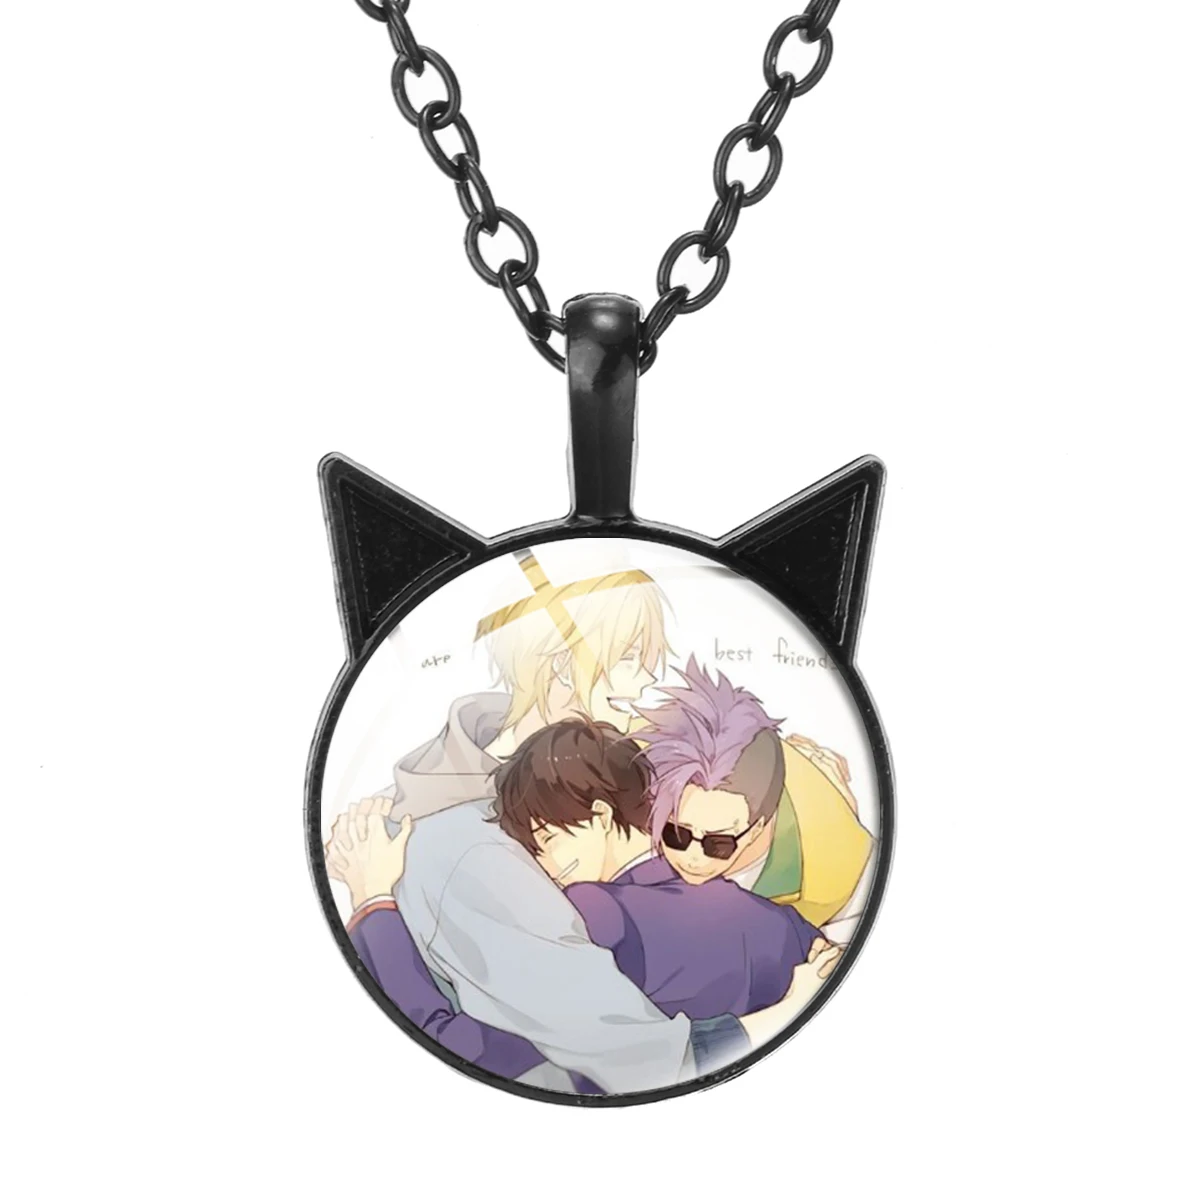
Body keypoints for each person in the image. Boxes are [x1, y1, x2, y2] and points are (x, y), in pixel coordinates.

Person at [330, 555, 740, 1095]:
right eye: (630, 657)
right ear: (562, 665)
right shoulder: (472, 845)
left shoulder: (494, 778)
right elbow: (641, 1056)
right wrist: (769, 1019)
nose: (648, 678)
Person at [327, 721, 840, 1093]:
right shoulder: (767, 917)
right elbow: (822, 964)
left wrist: (374, 907)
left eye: (546, 838)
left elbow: (468, 1042)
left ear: (598, 814)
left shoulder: (591, 906)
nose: (545, 866)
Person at [637, 656, 874, 933]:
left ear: (757, 828)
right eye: (677, 835)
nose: (693, 857)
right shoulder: (636, 780)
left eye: (718, 844)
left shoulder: (835, 876)